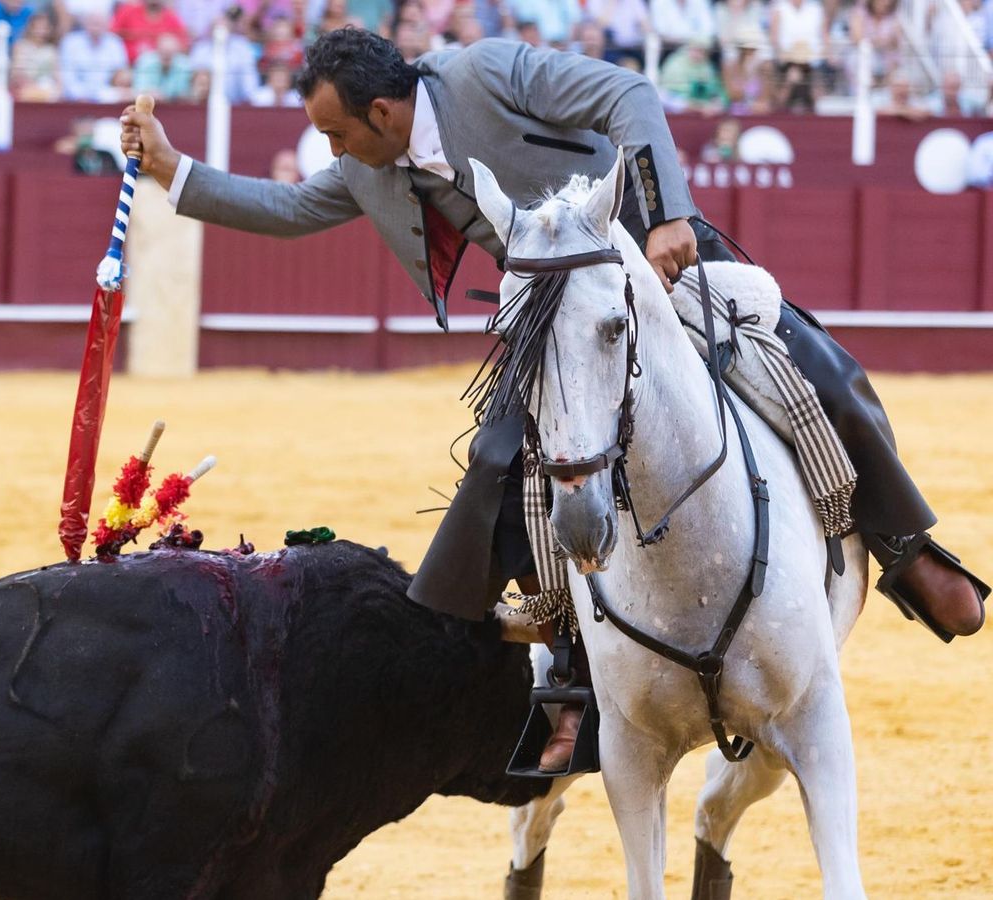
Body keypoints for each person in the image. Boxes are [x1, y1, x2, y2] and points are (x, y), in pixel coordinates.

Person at [120, 28, 987, 772]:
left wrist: (668, 213)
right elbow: (284, 207)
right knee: (500, 465)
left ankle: (902, 545)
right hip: (557, 321)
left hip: (648, 250)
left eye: (336, 132)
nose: (332, 150)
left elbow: (627, 95)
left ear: (381, 112)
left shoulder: (484, 74)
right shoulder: (368, 170)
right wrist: (170, 169)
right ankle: (571, 674)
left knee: (814, 365)